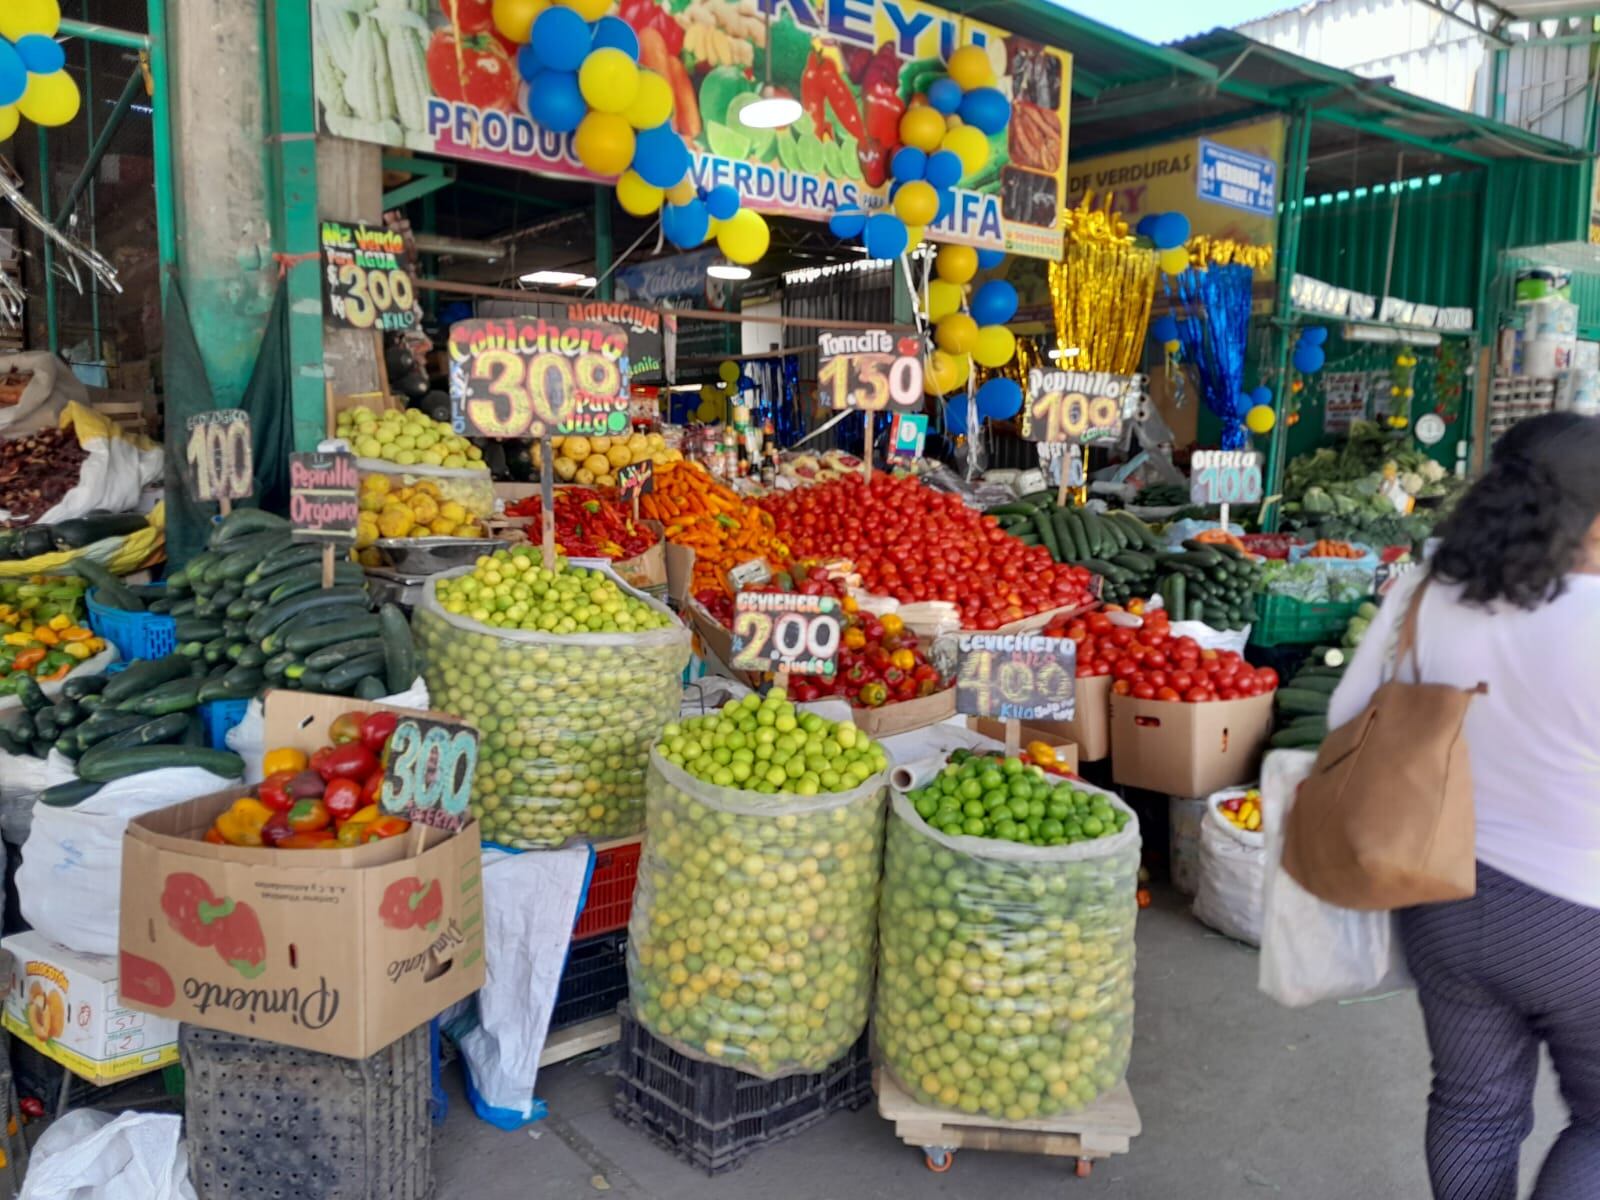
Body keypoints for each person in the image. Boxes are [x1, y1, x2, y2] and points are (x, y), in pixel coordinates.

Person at [1325, 411, 1600, 1199]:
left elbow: (1347, 717)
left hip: (1443, 896)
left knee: (1473, 1107)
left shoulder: (1431, 594)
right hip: (1580, 918)